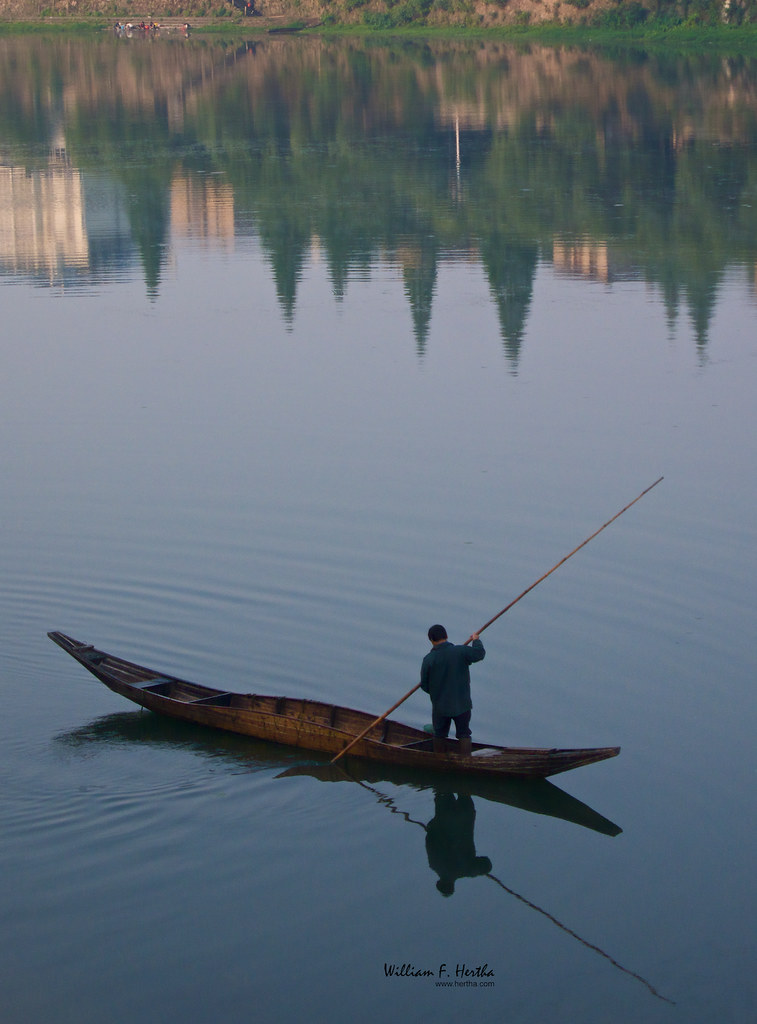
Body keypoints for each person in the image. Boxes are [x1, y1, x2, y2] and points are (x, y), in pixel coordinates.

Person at [420, 624, 485, 756]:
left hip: (440, 706)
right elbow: (479, 654)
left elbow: (424, 685)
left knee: (439, 734)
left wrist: (437, 694)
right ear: (447, 636)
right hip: (462, 704)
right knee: (464, 733)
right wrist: (476, 640)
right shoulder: (461, 651)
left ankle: (439, 760)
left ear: (431, 640)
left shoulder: (428, 660)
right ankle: (466, 761)